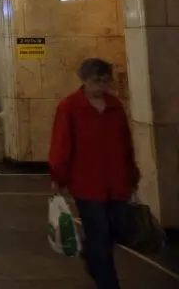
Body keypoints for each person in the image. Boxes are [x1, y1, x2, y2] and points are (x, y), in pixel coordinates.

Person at [49, 58, 139, 289]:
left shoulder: (115, 107)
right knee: (99, 235)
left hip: (117, 181)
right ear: (85, 80)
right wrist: (58, 177)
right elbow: (62, 144)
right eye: (96, 81)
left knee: (118, 229)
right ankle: (108, 282)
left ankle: (91, 254)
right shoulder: (70, 107)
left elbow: (126, 143)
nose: (102, 86)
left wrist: (132, 176)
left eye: (106, 81)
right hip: (87, 184)